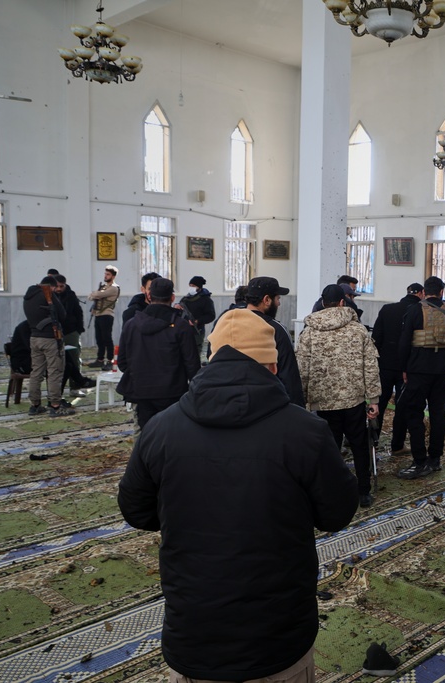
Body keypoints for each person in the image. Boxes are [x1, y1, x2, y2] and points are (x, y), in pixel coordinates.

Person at [118, 307, 358, 683]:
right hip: (278, 636)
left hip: (194, 629)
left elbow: (136, 510)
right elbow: (337, 513)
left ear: (210, 359)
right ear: (273, 366)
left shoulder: (161, 428)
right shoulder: (305, 432)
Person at [297, 284, 381, 508]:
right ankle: (363, 492)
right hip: (354, 400)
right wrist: (373, 399)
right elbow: (370, 366)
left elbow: (302, 369)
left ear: (323, 303)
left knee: (328, 449)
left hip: (323, 403)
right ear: (343, 302)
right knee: (359, 446)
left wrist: (302, 400)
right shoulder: (358, 330)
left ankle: (332, 493)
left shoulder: (309, 332)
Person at [396, 276, 445, 480]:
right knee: (438, 415)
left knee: (414, 414)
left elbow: (404, 342)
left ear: (424, 292)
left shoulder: (414, 310)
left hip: (418, 370)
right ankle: (435, 459)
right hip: (442, 371)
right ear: (442, 291)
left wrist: (404, 368)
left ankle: (419, 461)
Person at [117, 278, 201, 429]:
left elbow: (122, 362)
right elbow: (192, 364)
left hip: (141, 392)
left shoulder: (131, 325)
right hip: (172, 392)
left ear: (149, 296)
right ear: (172, 298)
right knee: (171, 433)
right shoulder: (181, 326)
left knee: (147, 433)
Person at [371, 282, 424, 454]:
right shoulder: (419, 312)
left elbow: (376, 337)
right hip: (407, 368)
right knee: (402, 407)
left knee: (378, 405)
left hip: (385, 366)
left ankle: (373, 442)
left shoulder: (387, 309)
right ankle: (397, 445)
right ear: (421, 293)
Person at [246, 276, 305, 407]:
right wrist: (297, 410)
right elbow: (289, 376)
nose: (279, 304)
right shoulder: (275, 329)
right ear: (267, 300)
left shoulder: (229, 325)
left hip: (234, 404)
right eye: (278, 298)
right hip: (267, 405)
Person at [23, 276, 76, 417]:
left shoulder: (28, 296)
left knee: (36, 372)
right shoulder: (47, 294)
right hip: (50, 338)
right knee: (54, 372)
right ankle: (55, 406)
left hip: (34, 337)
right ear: (52, 286)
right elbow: (62, 314)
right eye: (55, 288)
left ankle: (35, 405)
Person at [53, 274, 94, 396]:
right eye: (57, 286)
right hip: (54, 333)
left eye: (61, 286)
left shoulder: (71, 295)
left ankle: (75, 387)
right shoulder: (50, 296)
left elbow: (78, 312)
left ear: (65, 285)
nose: (59, 289)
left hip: (70, 331)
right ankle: (55, 391)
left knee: (74, 358)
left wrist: (78, 329)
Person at [87, 265, 120, 369]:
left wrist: (95, 294)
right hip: (98, 315)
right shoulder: (104, 287)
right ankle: (100, 360)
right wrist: (95, 294)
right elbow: (90, 296)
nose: (105, 276)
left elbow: (97, 295)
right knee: (99, 339)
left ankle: (110, 360)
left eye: (108, 274)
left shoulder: (114, 288)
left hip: (106, 315)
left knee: (107, 338)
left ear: (113, 276)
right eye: (105, 274)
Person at [178, 275, 216, 359]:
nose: (191, 288)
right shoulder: (186, 298)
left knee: (194, 356)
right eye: (190, 285)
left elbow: (211, 315)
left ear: (199, 287)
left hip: (197, 332)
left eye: (193, 286)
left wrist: (197, 321)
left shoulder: (206, 300)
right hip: (184, 331)